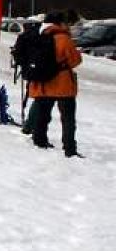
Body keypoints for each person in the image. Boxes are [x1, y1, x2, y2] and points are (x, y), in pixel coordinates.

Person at [28, 11, 84, 157]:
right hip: (63, 84)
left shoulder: (39, 36)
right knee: (68, 119)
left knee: (43, 115)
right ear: (60, 23)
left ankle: (39, 141)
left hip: (44, 84)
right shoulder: (64, 38)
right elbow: (75, 61)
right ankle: (69, 148)